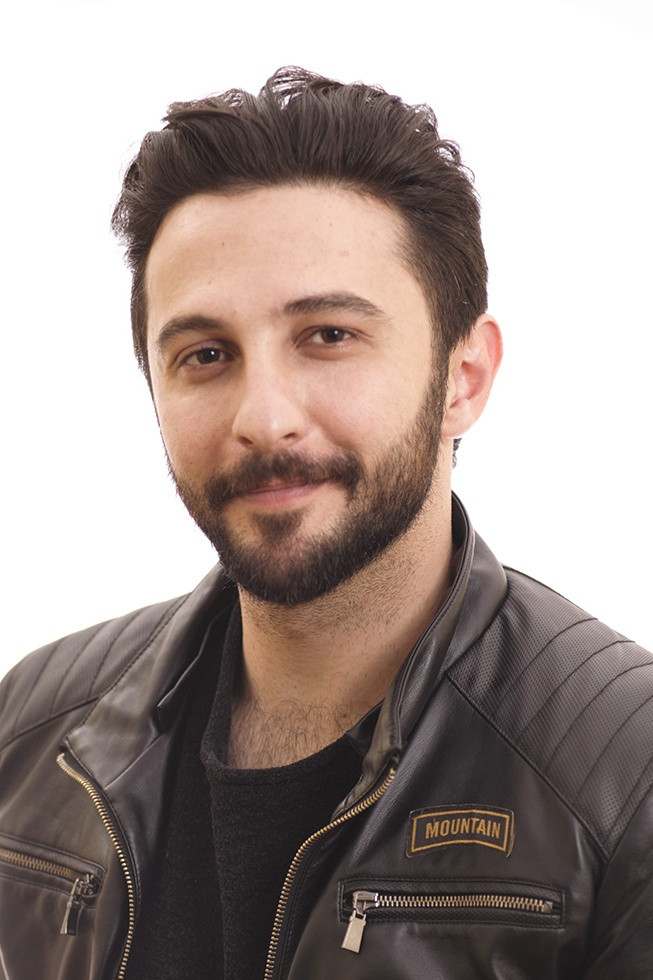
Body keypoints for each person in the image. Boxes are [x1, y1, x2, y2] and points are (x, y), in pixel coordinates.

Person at [0, 66, 651, 980]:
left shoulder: (625, 771)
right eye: (206, 354)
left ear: (462, 377)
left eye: (329, 336)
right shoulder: (31, 730)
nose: (263, 418)